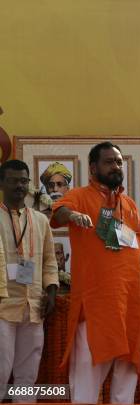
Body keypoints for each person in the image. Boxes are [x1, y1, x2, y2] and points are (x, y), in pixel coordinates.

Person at [51, 142, 140, 404]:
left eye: (119, 162)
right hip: (96, 307)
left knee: (126, 383)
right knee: (86, 385)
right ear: (93, 167)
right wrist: (73, 215)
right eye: (109, 162)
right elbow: (59, 214)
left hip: (131, 306)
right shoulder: (80, 195)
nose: (115, 166)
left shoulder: (130, 205)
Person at [0, 159, 58, 403]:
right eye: (13, 180)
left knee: (27, 374)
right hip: (3, 306)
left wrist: (52, 293)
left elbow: (49, 261)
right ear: (2, 183)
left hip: (33, 306)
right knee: (1, 370)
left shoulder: (40, 220)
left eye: (24, 181)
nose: (19, 186)